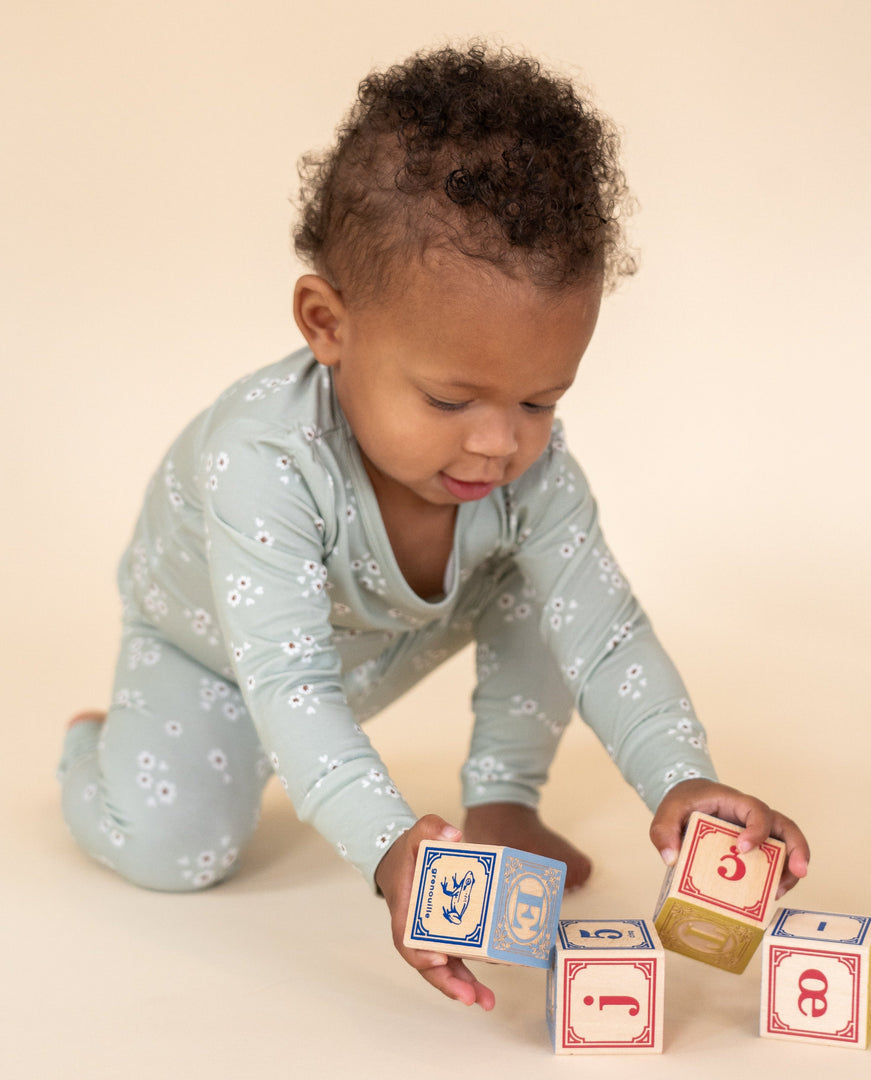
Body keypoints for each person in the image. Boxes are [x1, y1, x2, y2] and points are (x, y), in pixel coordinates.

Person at [58, 42, 809, 1011]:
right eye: (452, 397)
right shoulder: (261, 463)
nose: (500, 442)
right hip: (219, 655)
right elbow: (288, 685)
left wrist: (684, 780)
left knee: (542, 576)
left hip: (376, 641)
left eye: (539, 399)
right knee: (177, 851)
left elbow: (605, 629)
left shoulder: (532, 475)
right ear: (328, 324)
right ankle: (95, 746)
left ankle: (504, 803)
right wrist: (391, 848)